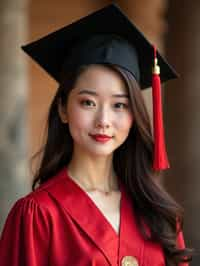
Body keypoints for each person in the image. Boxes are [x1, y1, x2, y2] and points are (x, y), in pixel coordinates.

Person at [0, 3, 192, 266]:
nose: (104, 120)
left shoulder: (157, 214)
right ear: (63, 109)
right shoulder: (38, 215)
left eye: (119, 105)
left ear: (134, 115)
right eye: (88, 102)